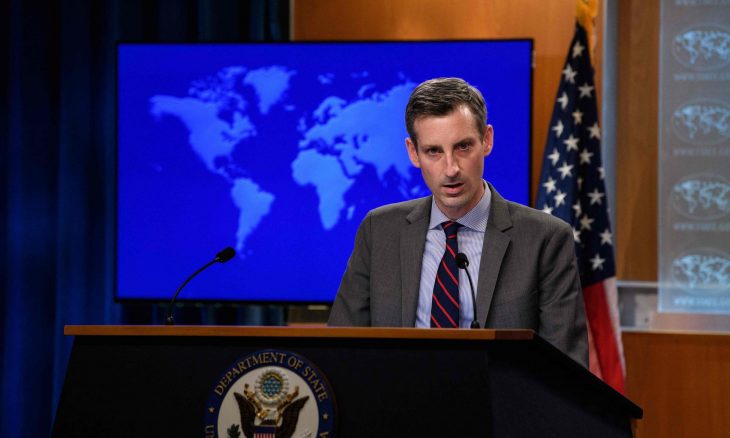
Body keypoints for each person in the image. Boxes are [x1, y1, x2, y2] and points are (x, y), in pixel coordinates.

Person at [328, 77, 587, 366]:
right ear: (413, 152)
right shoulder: (379, 231)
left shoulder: (545, 239)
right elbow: (341, 351)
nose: (450, 169)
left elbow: (566, 370)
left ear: (486, 140)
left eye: (463, 147)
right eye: (434, 151)